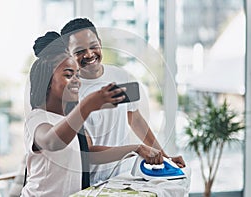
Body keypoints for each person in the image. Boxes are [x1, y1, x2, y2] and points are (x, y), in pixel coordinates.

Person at [21, 31, 163, 197]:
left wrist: (137, 148)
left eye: (76, 74)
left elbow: (89, 155)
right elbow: (52, 142)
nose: (76, 80)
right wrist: (88, 105)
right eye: (68, 74)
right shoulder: (37, 118)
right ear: (47, 81)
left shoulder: (69, 120)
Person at [60, 18, 186, 184]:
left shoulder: (120, 76)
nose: (89, 54)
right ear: (68, 54)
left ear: (100, 42)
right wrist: (138, 149)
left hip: (123, 178)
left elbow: (135, 118)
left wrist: (164, 157)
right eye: (79, 51)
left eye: (93, 45)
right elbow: (88, 152)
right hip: (91, 183)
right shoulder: (69, 93)